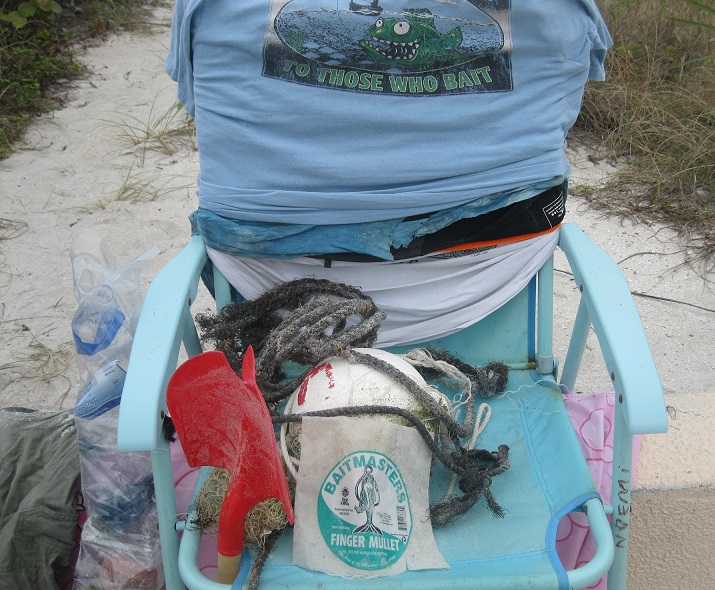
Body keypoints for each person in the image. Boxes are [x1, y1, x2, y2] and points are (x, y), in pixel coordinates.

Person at [166, 0, 611, 346]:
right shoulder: (564, 11)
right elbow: (563, 108)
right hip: (483, 284)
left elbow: (206, 113)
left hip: (272, 291)